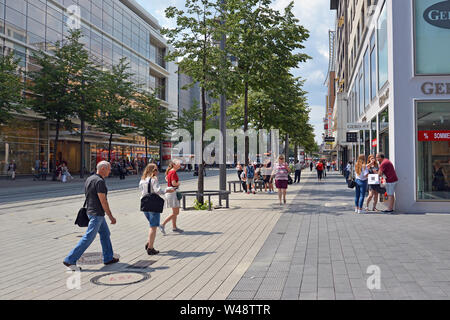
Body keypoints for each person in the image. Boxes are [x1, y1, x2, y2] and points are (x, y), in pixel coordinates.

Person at [63, 161, 118, 268]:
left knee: (105, 234)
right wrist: (111, 216)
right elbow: (103, 201)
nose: (110, 171)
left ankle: (108, 257)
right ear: (102, 168)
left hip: (92, 212)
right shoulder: (99, 181)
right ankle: (70, 259)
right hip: (97, 214)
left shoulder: (90, 178)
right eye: (109, 169)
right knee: (88, 237)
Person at [139, 163, 175, 255]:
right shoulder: (154, 179)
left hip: (144, 204)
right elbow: (157, 191)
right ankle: (150, 248)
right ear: (153, 171)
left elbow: (142, 191)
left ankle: (149, 243)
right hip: (153, 204)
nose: (158, 172)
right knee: (153, 226)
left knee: (152, 225)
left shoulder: (142, 180)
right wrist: (167, 190)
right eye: (157, 170)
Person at [160, 159, 183, 234]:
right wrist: (178, 183)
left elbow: (167, 180)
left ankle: (174, 227)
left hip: (170, 192)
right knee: (176, 212)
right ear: (174, 165)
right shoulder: (173, 172)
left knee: (174, 211)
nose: (179, 165)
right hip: (173, 193)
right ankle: (162, 224)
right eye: (178, 164)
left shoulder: (170, 171)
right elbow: (174, 183)